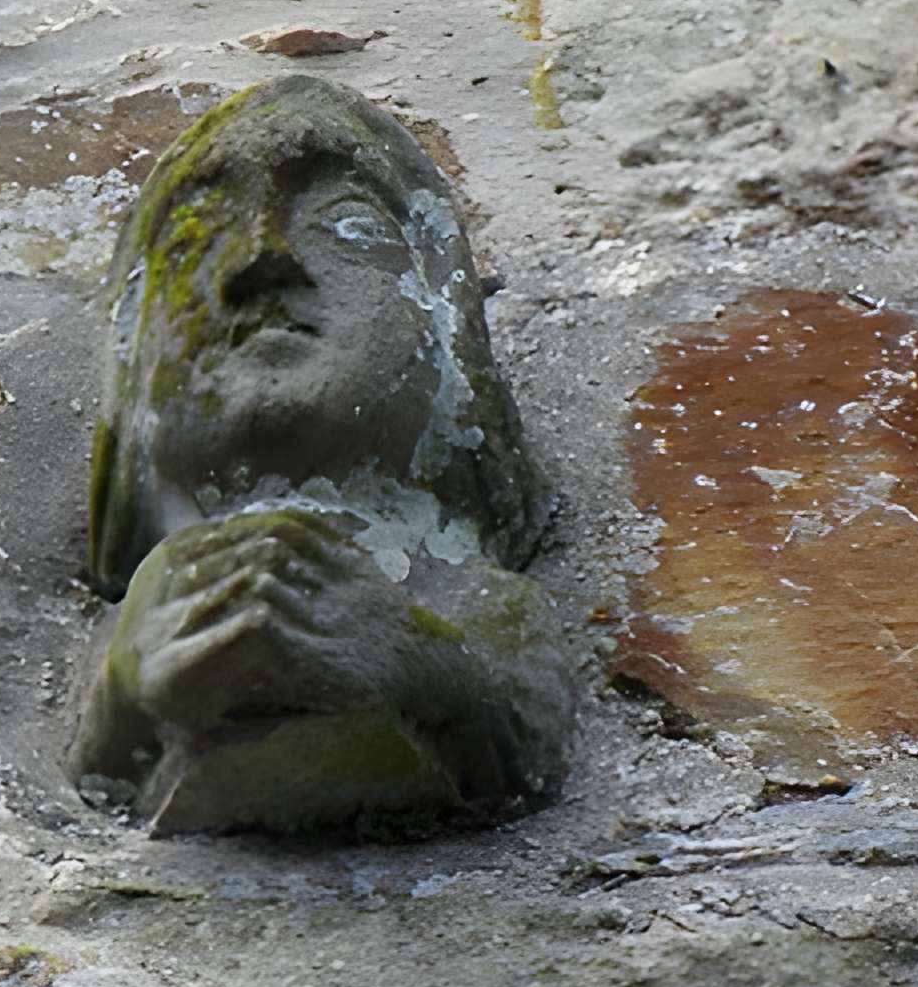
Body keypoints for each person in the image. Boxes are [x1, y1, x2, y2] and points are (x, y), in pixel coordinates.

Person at [71, 72, 570, 833]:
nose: (260, 258)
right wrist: (125, 692)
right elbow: (100, 769)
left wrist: (413, 657)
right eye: (195, 232)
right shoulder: (147, 598)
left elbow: (515, 751)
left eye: (345, 221)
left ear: (444, 322)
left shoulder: (484, 603)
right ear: (131, 354)